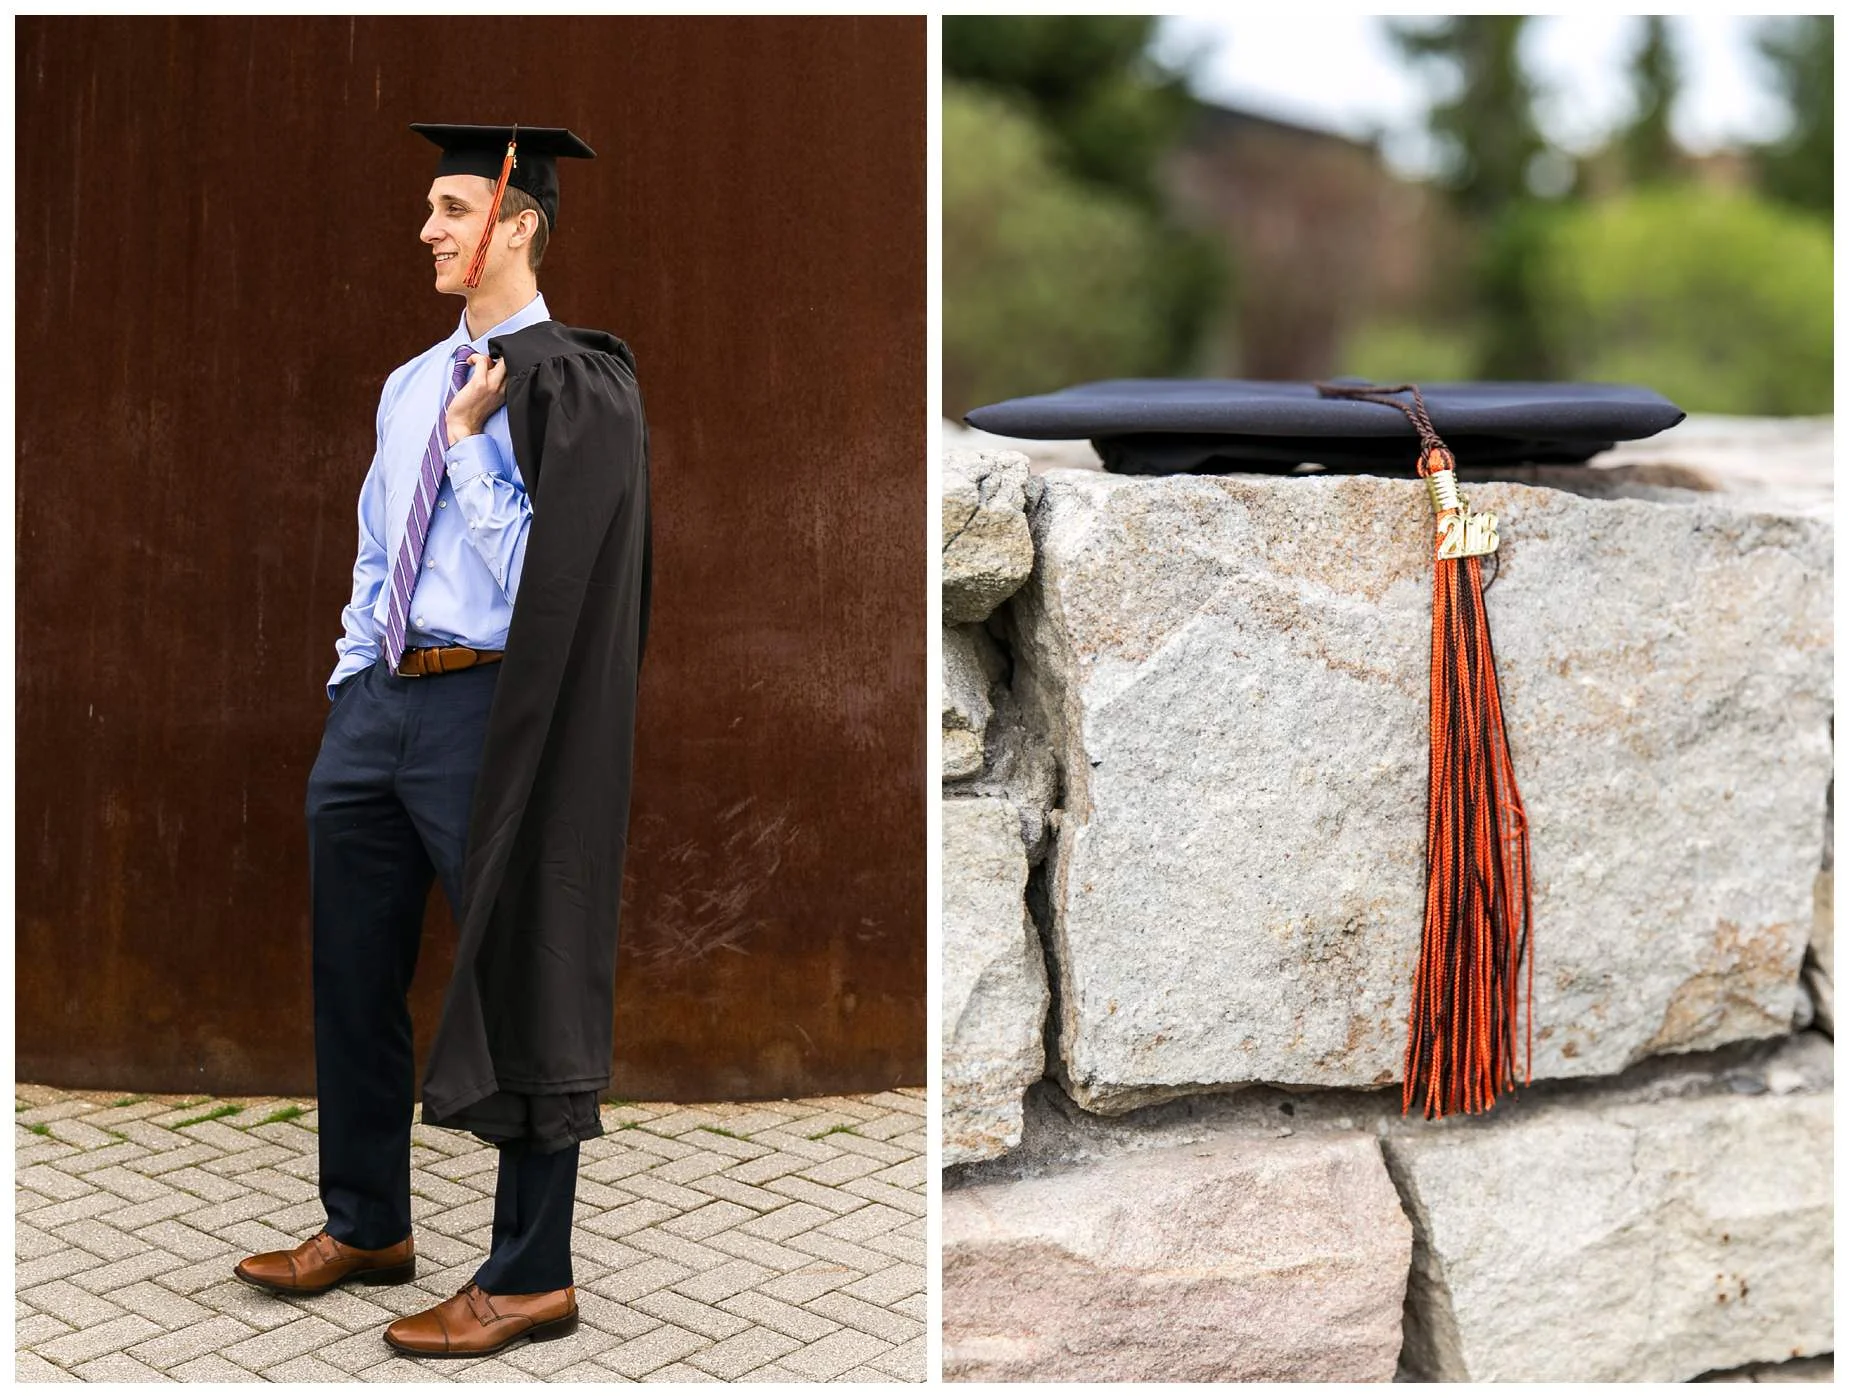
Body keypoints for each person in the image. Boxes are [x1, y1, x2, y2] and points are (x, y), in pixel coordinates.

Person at [234, 123, 652, 1361]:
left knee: (524, 967)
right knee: (351, 971)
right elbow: (378, 543)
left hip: (492, 714)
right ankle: (366, 1223)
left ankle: (532, 1275)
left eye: (452, 207)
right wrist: (352, 674)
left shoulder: (578, 383)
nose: (427, 228)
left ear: (517, 224)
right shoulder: (411, 381)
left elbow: (553, 589)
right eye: (427, 207)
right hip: (381, 707)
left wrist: (476, 449)